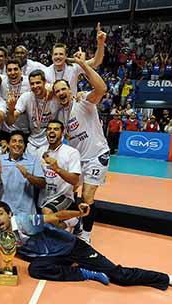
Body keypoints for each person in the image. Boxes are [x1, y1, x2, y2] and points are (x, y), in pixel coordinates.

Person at [0, 201, 172, 300]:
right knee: (35, 269)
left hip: (72, 248)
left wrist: (79, 214)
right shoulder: (3, 236)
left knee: (120, 276)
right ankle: (85, 274)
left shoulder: (26, 221)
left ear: (9, 214)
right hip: (54, 257)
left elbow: (56, 217)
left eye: (0, 213)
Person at [55, 48, 109, 244]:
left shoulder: (83, 101)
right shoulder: (61, 114)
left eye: (64, 89)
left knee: (87, 195)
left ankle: (86, 235)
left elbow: (102, 89)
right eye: (57, 91)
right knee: (70, 192)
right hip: (79, 159)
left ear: (70, 90)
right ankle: (76, 223)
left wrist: (83, 64)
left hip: (96, 155)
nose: (61, 92)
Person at [35, 120, 82, 233]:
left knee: (47, 213)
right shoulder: (40, 151)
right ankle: (71, 221)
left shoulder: (71, 152)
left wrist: (57, 169)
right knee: (43, 226)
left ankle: (70, 223)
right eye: (49, 129)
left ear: (62, 133)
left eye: (56, 129)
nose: (52, 131)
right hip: (43, 197)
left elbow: (75, 180)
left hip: (63, 196)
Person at [0, 130, 45, 216]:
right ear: (8, 144)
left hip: (27, 212)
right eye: (14, 141)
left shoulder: (33, 160)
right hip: (4, 213)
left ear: (24, 145)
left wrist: (27, 175)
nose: (17, 144)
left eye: (20, 142)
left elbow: (42, 184)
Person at [7, 69, 58, 157]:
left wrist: (52, 89)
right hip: (32, 140)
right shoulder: (26, 97)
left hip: (51, 138)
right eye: (32, 84)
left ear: (45, 82)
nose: (35, 86)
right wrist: (11, 110)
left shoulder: (54, 95)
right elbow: (10, 121)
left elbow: (63, 88)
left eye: (38, 83)